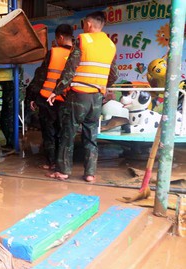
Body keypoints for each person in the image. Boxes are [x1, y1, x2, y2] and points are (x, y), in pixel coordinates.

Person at [47, 11, 118, 183]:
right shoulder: (110, 45)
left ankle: (63, 171)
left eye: (84, 23)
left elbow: (70, 68)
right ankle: (90, 173)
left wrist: (56, 91)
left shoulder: (83, 40)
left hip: (79, 95)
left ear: (89, 24)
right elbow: (114, 73)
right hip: (97, 97)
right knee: (91, 135)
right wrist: (102, 86)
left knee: (68, 132)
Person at [26, 24, 73, 171]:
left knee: (49, 132)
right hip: (68, 100)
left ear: (60, 37)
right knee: (63, 132)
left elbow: (41, 76)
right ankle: (62, 163)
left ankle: (51, 162)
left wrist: (32, 96)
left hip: (48, 99)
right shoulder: (77, 54)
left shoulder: (53, 52)